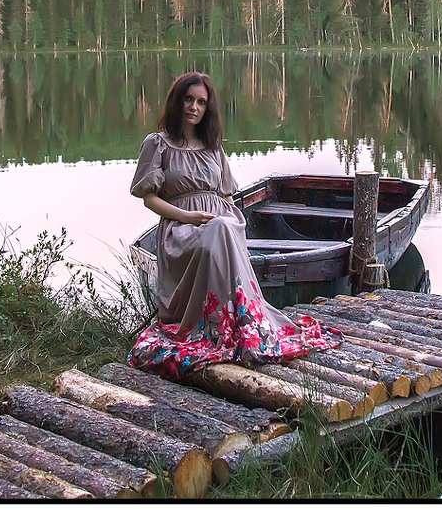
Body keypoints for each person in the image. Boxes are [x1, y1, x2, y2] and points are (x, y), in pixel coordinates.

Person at [127, 71, 342, 380]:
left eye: (202, 102)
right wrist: (188, 217)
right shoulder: (157, 144)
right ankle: (217, 326)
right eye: (188, 99)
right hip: (180, 228)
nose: (194, 107)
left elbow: (227, 193)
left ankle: (234, 323)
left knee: (224, 228)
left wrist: (221, 216)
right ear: (177, 101)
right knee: (219, 229)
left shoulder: (212, 146)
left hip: (220, 223)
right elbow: (148, 198)